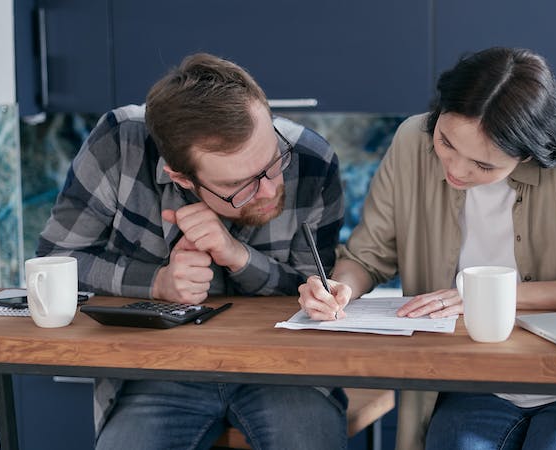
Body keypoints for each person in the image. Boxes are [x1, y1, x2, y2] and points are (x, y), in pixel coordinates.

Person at [297, 47, 556, 450]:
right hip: (466, 378)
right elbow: (366, 257)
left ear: (529, 152)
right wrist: (339, 288)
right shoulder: (413, 140)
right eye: (446, 142)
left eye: (484, 166)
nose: (456, 170)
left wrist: (488, 299)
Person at [37, 53, 347, 450]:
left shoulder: (312, 161)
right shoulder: (118, 144)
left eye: (273, 162)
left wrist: (238, 257)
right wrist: (157, 282)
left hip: (288, 369)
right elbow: (54, 264)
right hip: (156, 369)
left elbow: (311, 290)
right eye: (242, 185)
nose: (271, 189)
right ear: (180, 177)